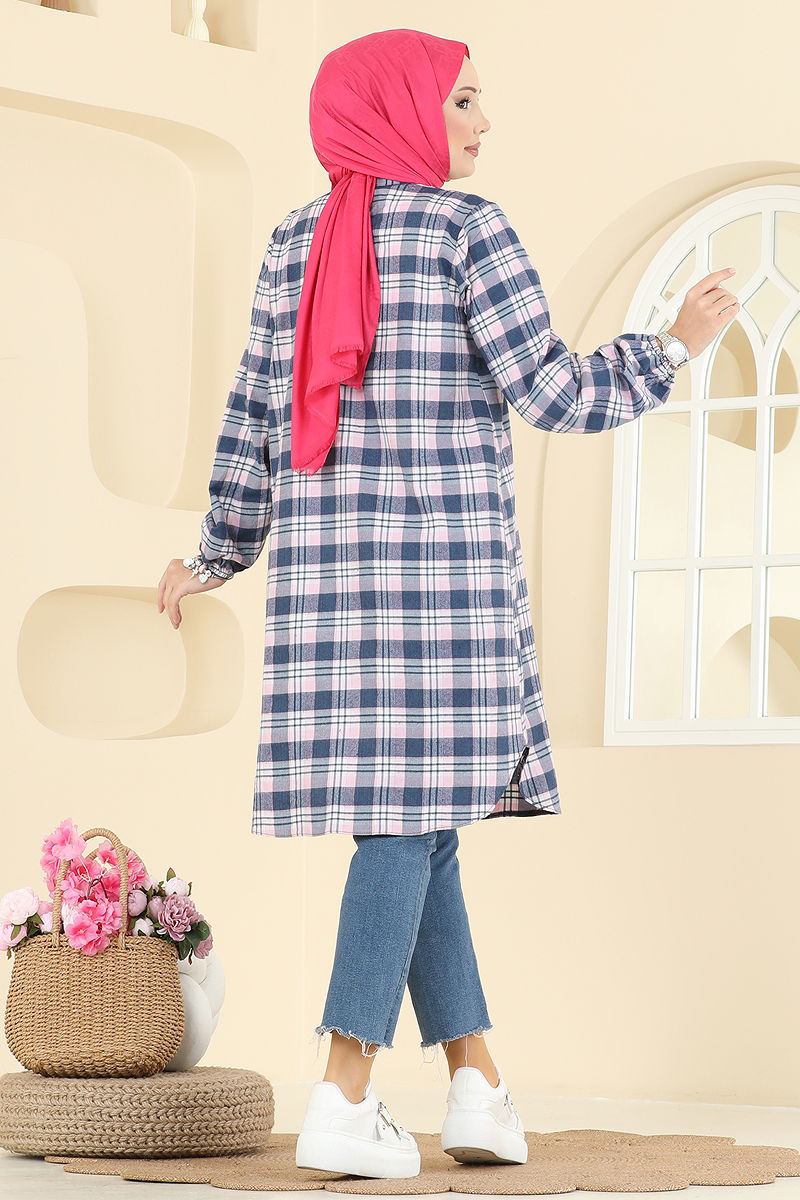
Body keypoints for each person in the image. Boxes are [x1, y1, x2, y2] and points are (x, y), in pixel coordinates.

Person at [156, 28, 740, 1182]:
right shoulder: (468, 230)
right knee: (404, 821)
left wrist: (213, 551)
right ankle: (343, 1093)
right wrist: (671, 347)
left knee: (420, 826)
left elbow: (255, 415)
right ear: (398, 109)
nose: (480, 122)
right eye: (460, 99)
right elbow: (553, 392)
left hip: (328, 596)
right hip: (443, 586)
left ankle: (477, 1085)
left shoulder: (291, 242)